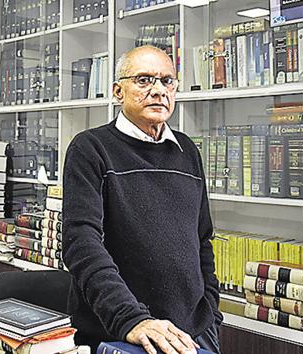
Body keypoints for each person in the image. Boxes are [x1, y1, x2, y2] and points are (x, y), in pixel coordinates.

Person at [62, 45, 223, 354]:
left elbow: (202, 239)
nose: (158, 90)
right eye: (144, 80)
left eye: (167, 81)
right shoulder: (91, 149)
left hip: (195, 334)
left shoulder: (187, 151)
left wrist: (210, 312)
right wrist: (130, 320)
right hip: (123, 333)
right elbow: (81, 243)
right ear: (117, 91)